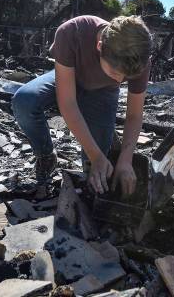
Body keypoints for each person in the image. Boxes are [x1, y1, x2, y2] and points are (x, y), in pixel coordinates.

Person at [11, 15, 152, 197]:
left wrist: (125, 160)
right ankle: (46, 156)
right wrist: (96, 157)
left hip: (103, 93)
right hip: (68, 77)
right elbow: (68, 102)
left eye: (126, 77)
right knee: (24, 101)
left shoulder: (139, 59)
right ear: (99, 46)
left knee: (95, 172)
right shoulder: (72, 32)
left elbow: (134, 115)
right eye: (115, 72)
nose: (119, 80)